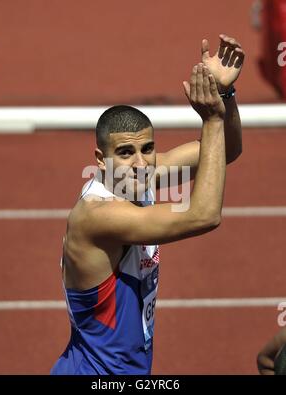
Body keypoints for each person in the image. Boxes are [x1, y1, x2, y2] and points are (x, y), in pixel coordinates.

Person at [51, 34, 245, 375]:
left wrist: (224, 96)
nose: (141, 163)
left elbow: (226, 150)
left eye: (148, 149)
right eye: (125, 153)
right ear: (100, 159)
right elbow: (203, 216)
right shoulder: (98, 217)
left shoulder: (141, 177)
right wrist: (212, 119)